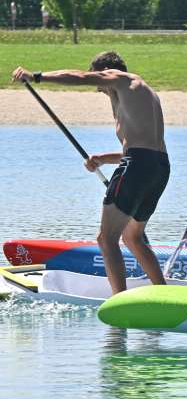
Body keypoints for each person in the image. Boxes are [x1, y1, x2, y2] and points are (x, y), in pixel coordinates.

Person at [11, 52, 169, 295]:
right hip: (159, 166)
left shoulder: (118, 77)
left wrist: (36, 76)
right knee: (133, 238)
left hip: (138, 166)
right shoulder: (145, 92)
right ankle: (163, 292)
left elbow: (79, 76)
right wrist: (103, 159)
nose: (99, 89)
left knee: (106, 239)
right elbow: (143, 148)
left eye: (99, 83)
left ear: (105, 70)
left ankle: (120, 301)